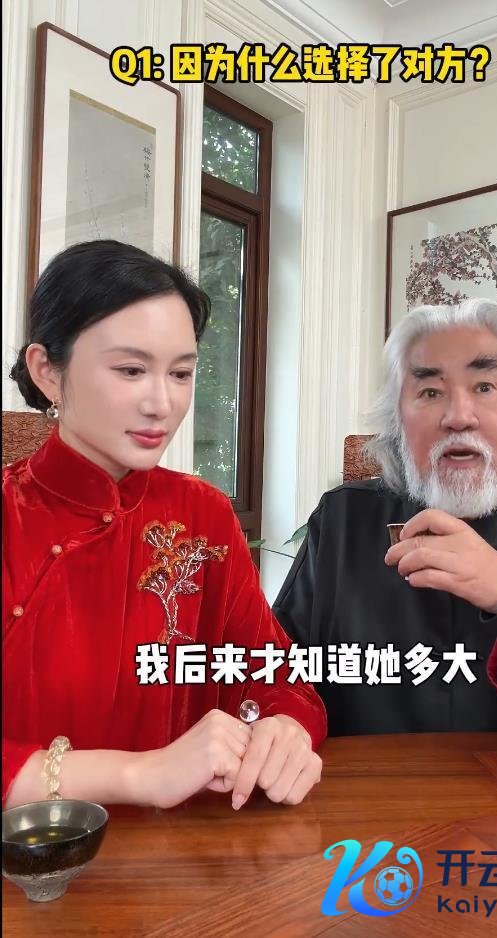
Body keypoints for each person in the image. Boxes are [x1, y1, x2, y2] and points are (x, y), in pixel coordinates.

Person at [2, 240, 326, 811]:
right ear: (47, 371)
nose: (162, 403)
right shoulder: (12, 513)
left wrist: (285, 728)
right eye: (131, 370)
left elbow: (275, 676)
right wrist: (136, 774)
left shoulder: (202, 514)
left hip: (187, 851)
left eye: (180, 373)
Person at [273, 299, 497, 739]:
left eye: (484, 386)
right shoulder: (343, 520)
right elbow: (276, 674)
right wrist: (283, 722)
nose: (458, 417)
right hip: (366, 783)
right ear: (397, 419)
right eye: (430, 392)